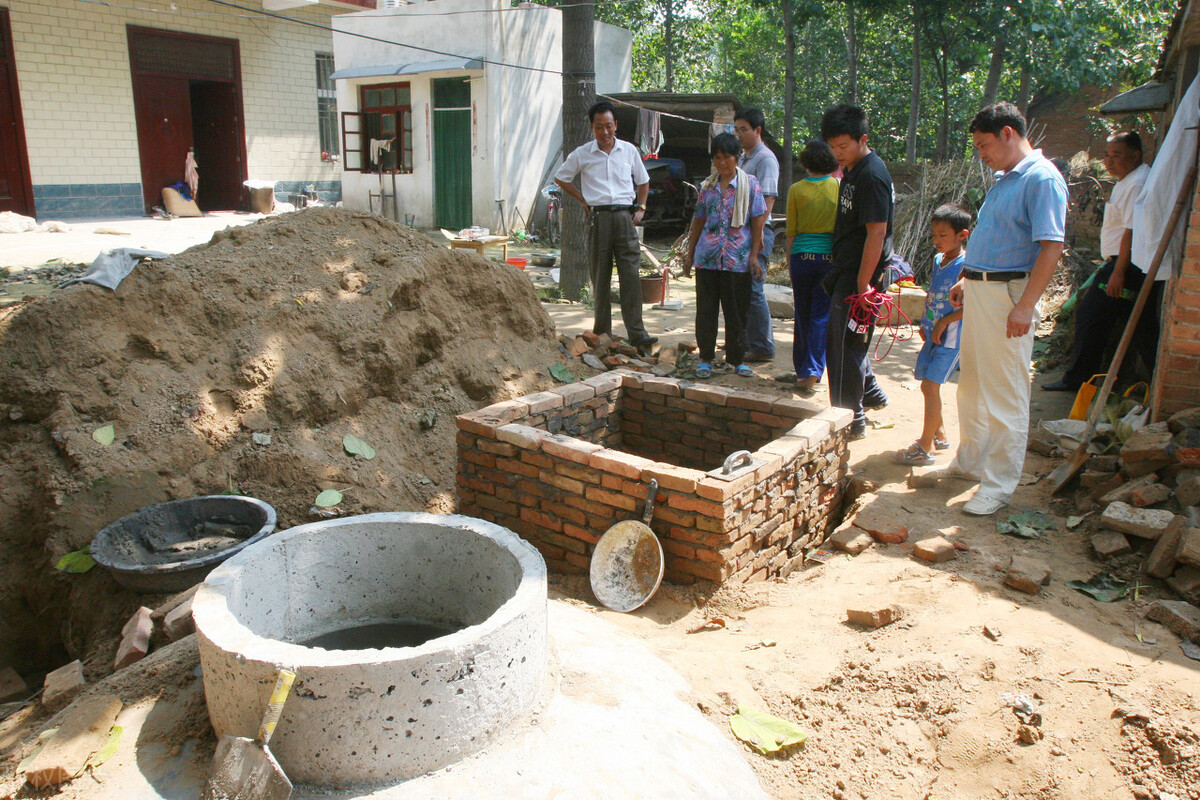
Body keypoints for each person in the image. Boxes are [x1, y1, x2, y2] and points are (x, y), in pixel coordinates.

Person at [944, 102, 1067, 516]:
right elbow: (998, 238)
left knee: (1005, 394)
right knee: (973, 384)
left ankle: (998, 485)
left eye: (984, 144)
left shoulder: (1041, 179)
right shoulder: (1005, 179)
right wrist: (968, 278)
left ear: (1009, 134)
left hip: (1009, 296)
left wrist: (1026, 306)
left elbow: (1051, 246)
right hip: (982, 290)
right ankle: (971, 461)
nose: (981, 152)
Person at [1043, 131, 1155, 391]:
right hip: (1119, 263)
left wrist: (1118, 272)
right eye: (1107, 155)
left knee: (1090, 315)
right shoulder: (1129, 180)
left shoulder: (1137, 183)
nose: (1109, 162)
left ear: (1135, 155)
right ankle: (1094, 379)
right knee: (1127, 323)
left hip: (1126, 265)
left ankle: (1078, 379)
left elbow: (1131, 231)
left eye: (1116, 155)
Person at [555, 100, 658, 351]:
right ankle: (602, 333)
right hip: (598, 218)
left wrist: (641, 207)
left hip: (625, 217)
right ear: (592, 127)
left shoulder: (629, 151)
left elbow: (643, 182)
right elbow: (561, 177)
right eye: (599, 127)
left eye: (609, 126)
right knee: (600, 276)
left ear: (616, 126)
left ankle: (637, 334)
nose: (605, 132)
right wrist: (582, 200)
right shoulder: (583, 153)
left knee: (630, 276)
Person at [820, 104, 892, 440]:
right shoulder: (852, 170)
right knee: (848, 341)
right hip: (847, 269)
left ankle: (850, 420)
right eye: (832, 147)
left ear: (863, 139)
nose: (837, 154)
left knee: (844, 347)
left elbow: (877, 233)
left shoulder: (873, 176)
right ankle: (871, 392)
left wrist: (864, 283)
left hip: (860, 276)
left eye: (843, 147)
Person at [683, 132, 768, 379]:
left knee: (737, 312)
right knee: (706, 310)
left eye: (727, 157)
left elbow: (757, 222)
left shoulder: (750, 185)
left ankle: (737, 359)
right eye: (717, 158)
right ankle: (706, 358)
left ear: (736, 157)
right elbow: (698, 222)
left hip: (737, 260)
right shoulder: (707, 187)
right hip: (707, 259)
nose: (722, 163)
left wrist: (754, 256)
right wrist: (689, 255)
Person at [893, 203, 970, 466]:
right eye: (934, 234)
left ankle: (924, 448)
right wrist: (927, 323)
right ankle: (940, 434)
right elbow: (935, 292)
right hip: (934, 333)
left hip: (951, 338)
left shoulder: (967, 268)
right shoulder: (939, 260)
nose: (937, 241)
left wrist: (944, 322)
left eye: (943, 235)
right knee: (928, 385)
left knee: (930, 386)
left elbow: (972, 307)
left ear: (963, 235)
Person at [784, 139, 840, 398]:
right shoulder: (838, 187)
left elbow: (791, 231)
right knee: (821, 315)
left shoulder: (796, 189)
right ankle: (814, 370)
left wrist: (789, 260)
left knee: (802, 314)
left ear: (806, 163)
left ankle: (802, 371)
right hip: (829, 259)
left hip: (801, 258)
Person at [734, 108, 779, 363]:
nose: (739, 134)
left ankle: (762, 345)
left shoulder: (766, 159)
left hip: (758, 231)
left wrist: (758, 236)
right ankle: (747, 341)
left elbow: (768, 201)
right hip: (743, 230)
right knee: (742, 288)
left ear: (758, 130)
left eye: (744, 129)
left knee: (753, 287)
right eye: (736, 129)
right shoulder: (744, 158)